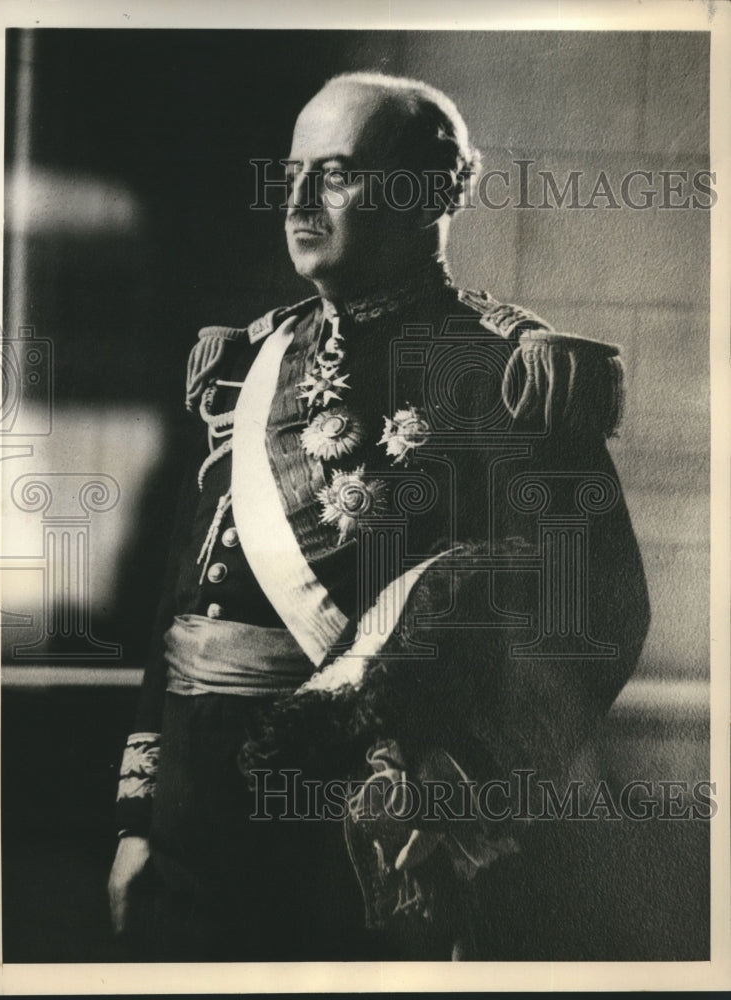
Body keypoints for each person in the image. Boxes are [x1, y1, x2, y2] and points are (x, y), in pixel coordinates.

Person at [108, 72, 650, 962]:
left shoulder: (504, 375)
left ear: (428, 193)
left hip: (361, 827)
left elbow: (598, 613)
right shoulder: (244, 366)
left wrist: (459, 793)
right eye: (291, 172)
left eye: (337, 173)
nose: (299, 198)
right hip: (192, 822)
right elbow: (181, 607)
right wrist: (136, 821)